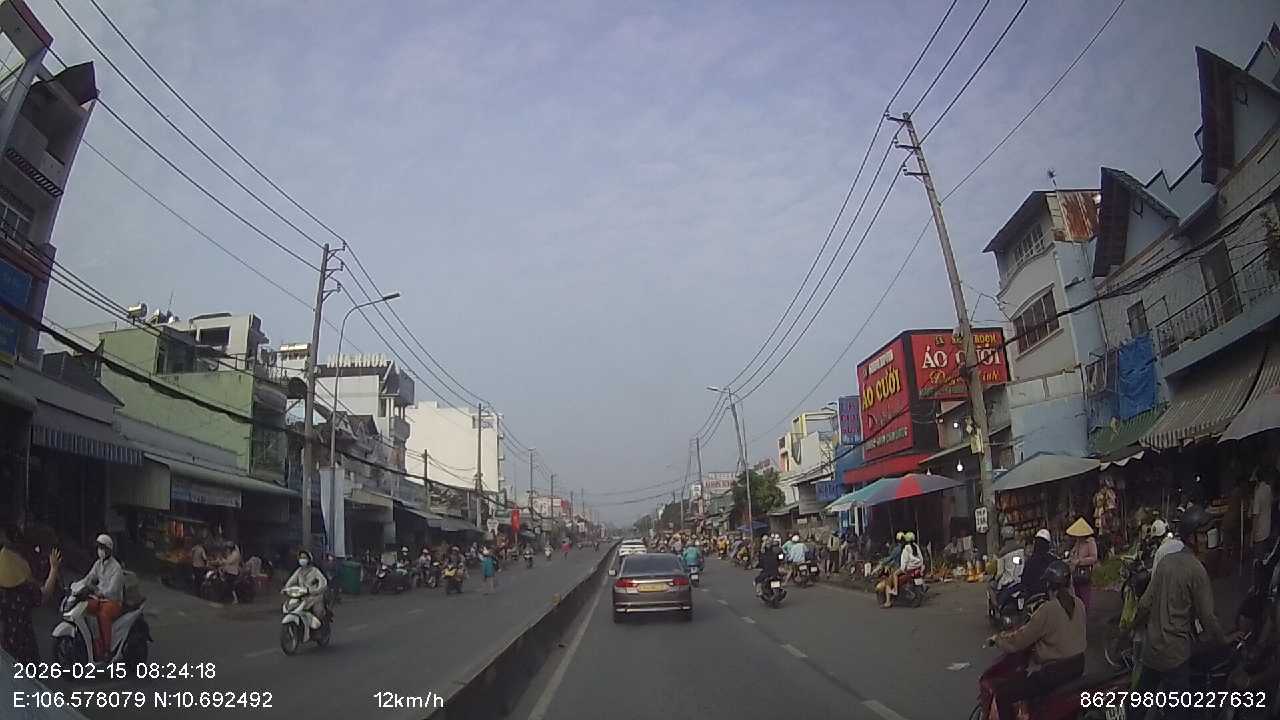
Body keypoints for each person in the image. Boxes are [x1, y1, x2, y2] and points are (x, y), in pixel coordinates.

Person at [1134, 505, 1228, 718]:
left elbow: (1144, 604)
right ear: (1192, 538)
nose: (1207, 540)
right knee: (1178, 712)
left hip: (1152, 651)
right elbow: (1208, 618)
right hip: (1175, 657)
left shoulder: (1166, 562)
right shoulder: (1197, 570)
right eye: (1203, 535)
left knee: (1137, 706)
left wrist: (1129, 631)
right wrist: (1224, 641)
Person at [987, 560, 1086, 719]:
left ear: (1048, 585)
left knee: (1003, 694)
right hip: (1077, 666)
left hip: (1054, 673)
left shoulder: (1047, 609)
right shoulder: (1079, 604)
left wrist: (998, 639)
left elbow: (1020, 639)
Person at [0, 526, 62, 662]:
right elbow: (44, 595)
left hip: (6, 649)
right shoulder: (24, 589)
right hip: (25, 646)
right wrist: (54, 569)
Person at [81, 533, 125, 660]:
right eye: (98, 547)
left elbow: (112, 590)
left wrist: (99, 592)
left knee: (103, 615)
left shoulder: (116, 568)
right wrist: (78, 585)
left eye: (102, 548)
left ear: (109, 550)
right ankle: (93, 643)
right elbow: (89, 578)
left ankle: (107, 649)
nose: (99, 550)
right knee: (84, 608)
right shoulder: (98, 564)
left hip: (113, 602)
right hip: (99, 599)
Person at [283, 550, 328, 620]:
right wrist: (285, 589)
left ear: (309, 559)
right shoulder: (299, 571)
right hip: (302, 596)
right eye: (301, 558)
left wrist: (316, 590)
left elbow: (323, 583)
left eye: (304, 558)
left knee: (318, 613)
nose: (302, 559)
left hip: (314, 597)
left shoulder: (315, 571)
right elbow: (291, 581)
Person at [885, 531, 924, 608]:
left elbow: (902, 565)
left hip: (908, 569)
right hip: (917, 568)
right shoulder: (916, 547)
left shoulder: (904, 549)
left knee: (894, 574)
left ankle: (895, 590)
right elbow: (921, 559)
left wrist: (903, 569)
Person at [1066, 518, 1098, 611]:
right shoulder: (1078, 542)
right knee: (1077, 597)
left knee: (1084, 596)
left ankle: (1084, 614)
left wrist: (1080, 561)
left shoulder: (1090, 542)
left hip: (1084, 572)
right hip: (1075, 572)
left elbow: (1094, 558)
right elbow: (1073, 553)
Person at [1021, 529, 1055, 594]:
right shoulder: (1052, 560)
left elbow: (1024, 581)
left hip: (1034, 594)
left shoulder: (1031, 561)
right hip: (1048, 594)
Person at [1252, 468, 1274, 555]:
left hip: (1259, 531)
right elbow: (1271, 502)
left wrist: (1252, 535)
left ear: (1257, 479)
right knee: (1264, 555)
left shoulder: (1258, 493)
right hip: (1268, 528)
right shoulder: (1268, 488)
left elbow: (1256, 516)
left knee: (1258, 556)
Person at [219, 538, 243, 604]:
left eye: (228, 548)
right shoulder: (230, 553)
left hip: (233, 572)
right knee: (227, 585)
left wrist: (223, 560)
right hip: (228, 571)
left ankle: (235, 599)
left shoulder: (235, 554)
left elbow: (229, 561)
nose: (227, 549)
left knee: (230, 586)